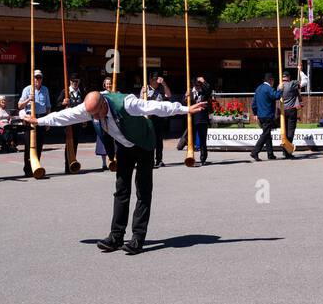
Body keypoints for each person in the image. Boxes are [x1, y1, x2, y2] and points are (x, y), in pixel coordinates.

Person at [37, 89, 207, 255]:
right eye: (92, 115)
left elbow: (156, 107)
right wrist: (39, 121)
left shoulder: (127, 103)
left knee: (143, 191)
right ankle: (116, 236)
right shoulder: (91, 108)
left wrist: (185, 109)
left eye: (96, 114)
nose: (94, 119)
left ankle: (138, 238)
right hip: (124, 146)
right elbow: (66, 116)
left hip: (144, 144)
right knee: (121, 191)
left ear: (103, 104)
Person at [19, 69, 50, 176]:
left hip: (41, 119)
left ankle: (36, 166)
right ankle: (27, 169)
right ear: (33, 78)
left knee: (39, 144)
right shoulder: (27, 89)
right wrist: (28, 99)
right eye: (36, 77)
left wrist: (47, 121)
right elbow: (19, 106)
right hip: (30, 119)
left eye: (39, 77)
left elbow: (48, 107)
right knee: (29, 145)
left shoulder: (45, 90)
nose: (38, 79)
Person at [250, 72, 282, 161]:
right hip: (268, 115)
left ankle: (270, 154)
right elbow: (276, 96)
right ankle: (255, 152)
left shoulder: (258, 88)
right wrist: (280, 89)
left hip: (260, 115)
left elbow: (254, 104)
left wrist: (255, 113)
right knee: (265, 134)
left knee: (267, 134)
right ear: (271, 80)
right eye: (273, 81)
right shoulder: (268, 88)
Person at [142, 72, 171, 168]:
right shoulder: (145, 88)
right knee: (149, 139)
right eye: (154, 79)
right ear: (150, 80)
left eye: (157, 79)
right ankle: (148, 160)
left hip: (159, 116)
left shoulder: (162, 88)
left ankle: (159, 160)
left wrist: (164, 83)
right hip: (149, 117)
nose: (156, 81)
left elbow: (169, 95)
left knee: (159, 140)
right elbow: (140, 101)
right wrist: (143, 93)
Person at [94, 76, 117, 169]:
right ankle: (104, 163)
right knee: (102, 141)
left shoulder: (115, 93)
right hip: (102, 119)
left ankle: (113, 160)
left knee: (114, 141)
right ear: (104, 84)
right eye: (107, 83)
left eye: (110, 83)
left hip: (112, 121)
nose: (108, 85)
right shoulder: (100, 94)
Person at [277, 70, 301, 158]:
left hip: (282, 111)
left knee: (284, 131)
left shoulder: (279, 86)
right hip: (291, 110)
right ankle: (288, 151)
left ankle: (285, 151)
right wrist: (300, 70)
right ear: (289, 77)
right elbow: (304, 82)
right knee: (290, 131)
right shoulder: (291, 84)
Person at [189, 76, 213, 164]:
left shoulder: (204, 92)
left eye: (199, 86)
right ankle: (191, 157)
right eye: (196, 86)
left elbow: (209, 89)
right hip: (192, 119)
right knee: (191, 140)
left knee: (203, 140)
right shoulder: (190, 92)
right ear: (194, 85)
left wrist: (204, 81)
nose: (198, 88)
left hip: (202, 119)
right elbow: (184, 104)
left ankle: (203, 158)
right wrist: (186, 97)